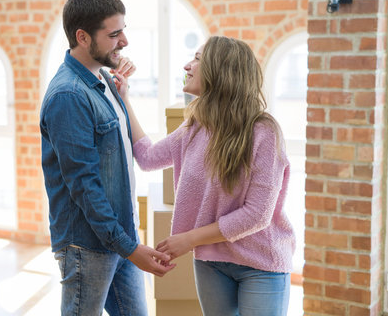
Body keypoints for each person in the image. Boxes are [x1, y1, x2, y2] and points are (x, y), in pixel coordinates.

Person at [114, 36, 295, 316]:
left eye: (197, 59)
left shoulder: (264, 132)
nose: (187, 66)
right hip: (212, 263)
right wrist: (124, 98)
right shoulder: (195, 128)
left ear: (220, 70)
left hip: (262, 263)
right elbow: (148, 158)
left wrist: (189, 238)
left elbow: (257, 214)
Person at [40, 0, 174, 316]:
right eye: (114, 34)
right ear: (83, 37)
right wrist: (129, 246)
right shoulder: (68, 95)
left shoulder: (103, 82)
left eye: (123, 31)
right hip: (88, 245)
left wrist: (123, 94)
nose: (125, 42)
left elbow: (121, 154)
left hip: (119, 236)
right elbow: (84, 184)